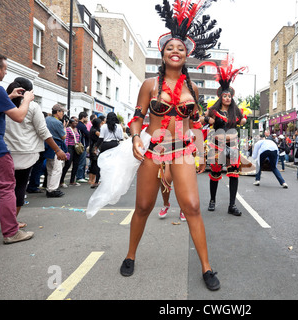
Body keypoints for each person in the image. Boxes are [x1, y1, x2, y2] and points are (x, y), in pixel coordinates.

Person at [121, 0, 222, 291]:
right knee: (143, 206)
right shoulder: (150, 85)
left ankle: (206, 267)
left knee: (192, 205)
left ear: (186, 55)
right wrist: (135, 137)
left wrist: (202, 152)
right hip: (154, 151)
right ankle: (130, 255)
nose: (175, 52)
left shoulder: (193, 88)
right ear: (162, 55)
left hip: (183, 152)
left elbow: (197, 124)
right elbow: (137, 117)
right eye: (169, 49)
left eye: (180, 49)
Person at [0, 77, 66, 234]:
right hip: (26, 154)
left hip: (3, 151)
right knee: (19, 186)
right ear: (29, 92)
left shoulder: (1, 101)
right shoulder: (32, 106)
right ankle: (12, 223)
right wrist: (57, 149)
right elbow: (43, 131)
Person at [0, 50, 35, 244]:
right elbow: (19, 117)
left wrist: (9, 97)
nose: (5, 74)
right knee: (6, 187)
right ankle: (11, 232)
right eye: (4, 69)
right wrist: (26, 101)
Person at [197, 55, 247, 216]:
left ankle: (232, 205)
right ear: (221, 97)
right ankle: (212, 201)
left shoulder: (235, 111)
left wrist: (243, 120)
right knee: (215, 173)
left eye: (229, 96)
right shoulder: (213, 110)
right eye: (224, 96)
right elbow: (201, 119)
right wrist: (207, 119)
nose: (227, 98)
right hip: (216, 145)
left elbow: (242, 122)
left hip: (232, 145)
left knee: (234, 174)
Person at [44, 104, 68, 198]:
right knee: (57, 169)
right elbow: (63, 136)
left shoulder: (47, 119)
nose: (63, 114)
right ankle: (52, 189)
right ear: (58, 112)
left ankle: (50, 187)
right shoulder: (58, 123)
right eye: (62, 112)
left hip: (47, 145)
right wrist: (65, 127)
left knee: (50, 168)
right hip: (56, 146)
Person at [60, 117, 82, 187]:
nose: (76, 122)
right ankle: (61, 181)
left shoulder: (77, 129)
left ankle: (72, 181)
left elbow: (78, 139)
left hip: (76, 148)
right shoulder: (68, 129)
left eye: (77, 121)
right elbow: (66, 140)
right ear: (71, 122)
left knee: (76, 164)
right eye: (74, 121)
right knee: (67, 164)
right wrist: (66, 151)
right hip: (70, 147)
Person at [75, 111, 89, 183]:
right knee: (81, 162)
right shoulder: (82, 125)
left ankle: (82, 176)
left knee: (82, 162)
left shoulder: (79, 125)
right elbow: (87, 134)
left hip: (81, 145)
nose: (87, 118)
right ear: (83, 117)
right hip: (82, 145)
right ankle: (80, 176)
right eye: (86, 117)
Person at [88, 117, 102, 188]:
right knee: (95, 164)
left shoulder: (92, 129)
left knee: (93, 164)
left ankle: (91, 180)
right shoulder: (95, 131)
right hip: (95, 148)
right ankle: (93, 180)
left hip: (93, 147)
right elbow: (102, 136)